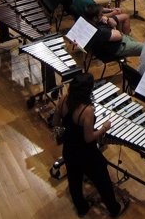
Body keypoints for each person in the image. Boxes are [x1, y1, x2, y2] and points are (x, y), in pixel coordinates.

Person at [53, 73, 129, 217]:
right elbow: (89, 138)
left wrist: (66, 133)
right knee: (103, 181)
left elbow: (56, 122)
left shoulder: (64, 99)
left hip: (69, 149)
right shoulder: (87, 111)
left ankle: (82, 208)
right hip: (86, 154)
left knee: (74, 180)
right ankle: (114, 209)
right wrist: (104, 128)